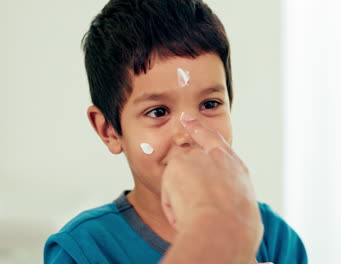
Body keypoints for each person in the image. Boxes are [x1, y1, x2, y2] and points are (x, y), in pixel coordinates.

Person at [43, 0, 308, 263]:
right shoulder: (82, 249)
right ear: (109, 130)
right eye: (158, 112)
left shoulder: (274, 238)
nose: (188, 135)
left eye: (210, 104)